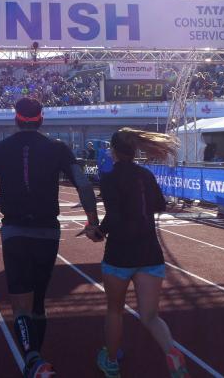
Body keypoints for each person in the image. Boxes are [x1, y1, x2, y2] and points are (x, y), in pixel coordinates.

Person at [0, 98, 100, 377]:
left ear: (16, 120)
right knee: (38, 301)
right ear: (41, 120)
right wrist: (93, 221)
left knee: (20, 304)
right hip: (48, 233)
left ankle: (33, 359)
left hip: (15, 232)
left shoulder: (0, 149)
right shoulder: (58, 148)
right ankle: (36, 361)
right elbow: (84, 185)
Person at [86, 128, 189, 378]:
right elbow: (160, 205)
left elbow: (114, 217)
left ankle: (111, 362)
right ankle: (172, 353)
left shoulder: (110, 178)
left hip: (119, 255)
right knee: (151, 316)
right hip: (150, 253)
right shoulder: (145, 175)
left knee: (115, 311)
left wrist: (97, 232)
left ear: (113, 151)